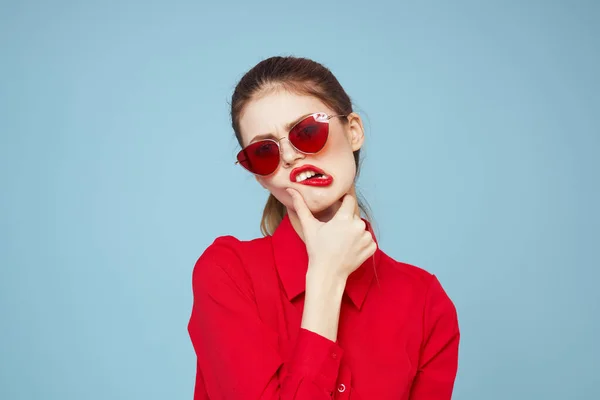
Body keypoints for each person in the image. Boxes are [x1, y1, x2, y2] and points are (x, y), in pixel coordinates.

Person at [187, 56, 460, 399]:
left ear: (354, 131)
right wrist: (326, 279)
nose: (289, 157)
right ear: (259, 175)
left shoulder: (425, 303)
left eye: (307, 132)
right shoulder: (227, 274)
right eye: (264, 151)